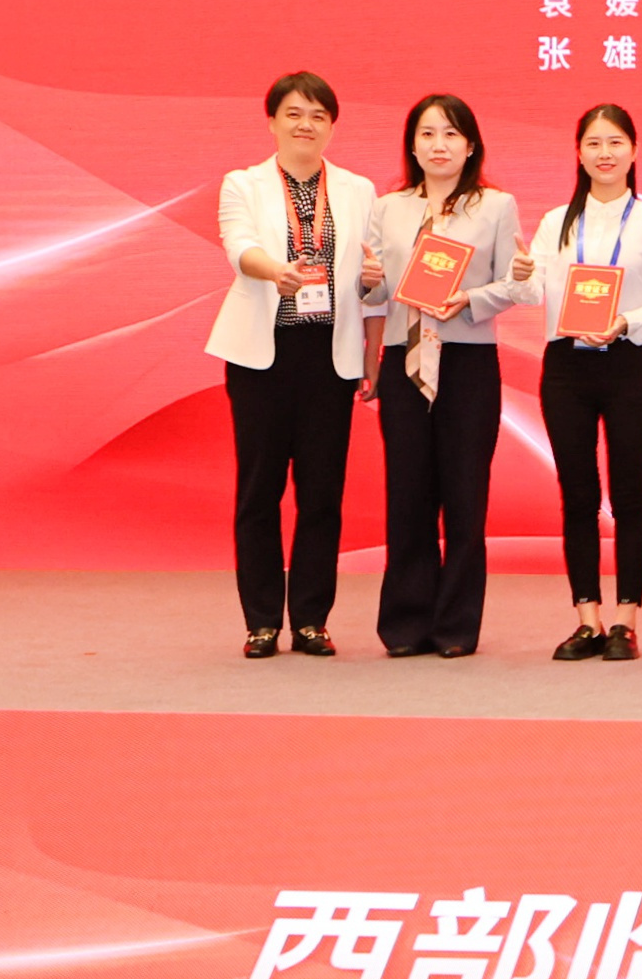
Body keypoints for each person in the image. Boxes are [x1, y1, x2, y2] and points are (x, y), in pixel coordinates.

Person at [206, 72, 377, 659]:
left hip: (329, 356)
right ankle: (260, 621)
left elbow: (369, 273)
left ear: (332, 126)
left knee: (322, 494)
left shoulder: (357, 189)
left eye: (318, 116)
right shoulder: (243, 183)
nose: (306, 125)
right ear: (272, 121)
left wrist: (373, 278)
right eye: (294, 114)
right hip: (262, 357)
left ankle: (310, 620)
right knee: (259, 491)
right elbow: (238, 246)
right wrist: (272, 270)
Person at [524, 102, 642, 662]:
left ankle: (626, 620)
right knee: (577, 495)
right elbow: (530, 291)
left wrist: (628, 322)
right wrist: (518, 274)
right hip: (565, 368)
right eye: (593, 143)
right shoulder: (555, 222)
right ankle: (587, 619)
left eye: (615, 142)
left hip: (628, 364)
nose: (604, 153)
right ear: (578, 153)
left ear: (634, 151)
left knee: (628, 494)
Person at [367, 93, 523, 658]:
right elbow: (376, 293)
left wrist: (472, 299)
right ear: (412, 145)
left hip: (467, 361)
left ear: (471, 145)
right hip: (403, 357)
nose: (439, 145)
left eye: (452, 134)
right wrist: (367, 282)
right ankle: (406, 623)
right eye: (428, 134)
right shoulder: (388, 208)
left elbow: (518, 283)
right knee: (407, 494)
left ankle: (456, 625)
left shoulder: (496, 206)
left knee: (464, 496)